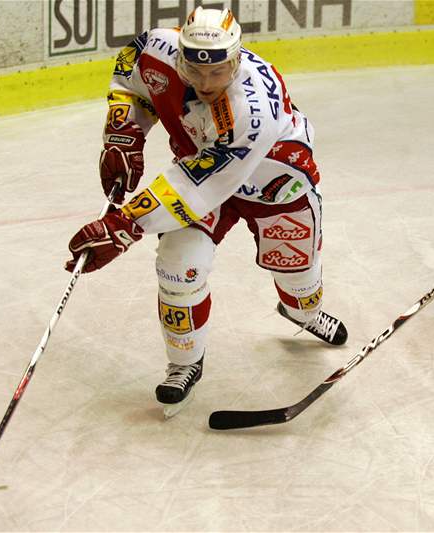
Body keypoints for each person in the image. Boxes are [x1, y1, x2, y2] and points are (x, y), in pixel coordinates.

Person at [65, 6, 348, 415]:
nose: (205, 82)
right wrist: (123, 134)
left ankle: (303, 311)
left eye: (218, 72)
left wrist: (124, 225)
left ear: (236, 58)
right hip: (201, 173)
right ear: (180, 53)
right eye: (195, 71)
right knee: (178, 266)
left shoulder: (251, 109)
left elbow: (199, 185)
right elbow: (131, 72)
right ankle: (184, 362)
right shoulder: (156, 48)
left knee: (297, 275)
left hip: (275, 185)